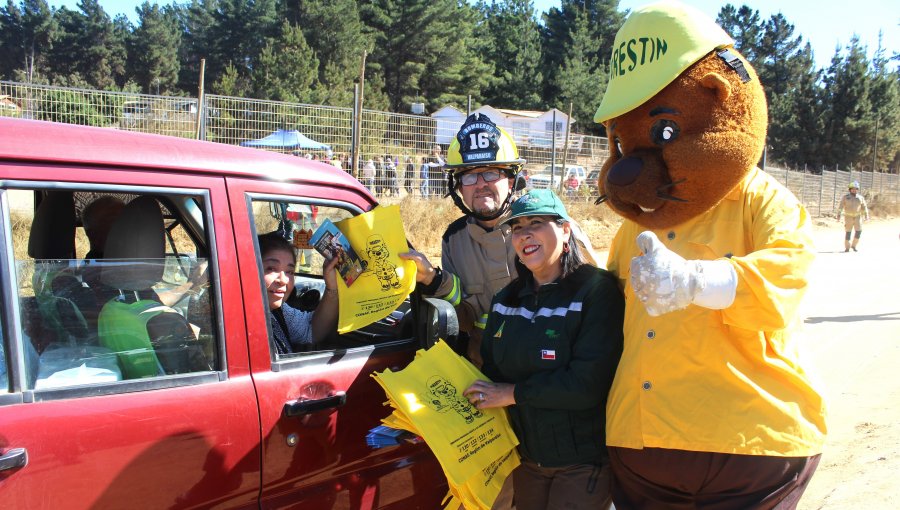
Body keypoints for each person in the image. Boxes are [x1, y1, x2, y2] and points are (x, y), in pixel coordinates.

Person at [464, 189, 624, 510]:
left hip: (582, 462)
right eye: (516, 227)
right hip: (526, 461)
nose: (524, 234)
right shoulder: (505, 300)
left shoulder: (596, 290)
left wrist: (513, 393)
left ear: (565, 230)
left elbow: (586, 384)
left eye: (535, 223)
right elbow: (492, 373)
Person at [401, 113, 599, 368]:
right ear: (458, 187)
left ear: (512, 179)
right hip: (487, 375)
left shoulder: (552, 229)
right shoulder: (454, 240)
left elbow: (595, 304)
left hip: (554, 374)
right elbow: (465, 318)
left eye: (491, 173)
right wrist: (433, 280)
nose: (480, 184)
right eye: (469, 176)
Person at [258, 232, 339, 355]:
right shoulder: (235, 321)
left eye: (289, 271)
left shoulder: (279, 311)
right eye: (271, 269)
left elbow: (311, 331)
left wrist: (332, 287)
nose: (284, 280)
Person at [837, 180, 869, 252]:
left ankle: (854, 246)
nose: (854, 190)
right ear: (850, 189)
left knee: (858, 232)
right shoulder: (845, 197)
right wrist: (838, 215)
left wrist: (866, 216)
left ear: (857, 190)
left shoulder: (860, 198)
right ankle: (847, 247)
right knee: (848, 232)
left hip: (858, 218)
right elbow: (840, 207)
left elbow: (864, 207)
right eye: (853, 189)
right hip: (848, 218)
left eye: (856, 189)